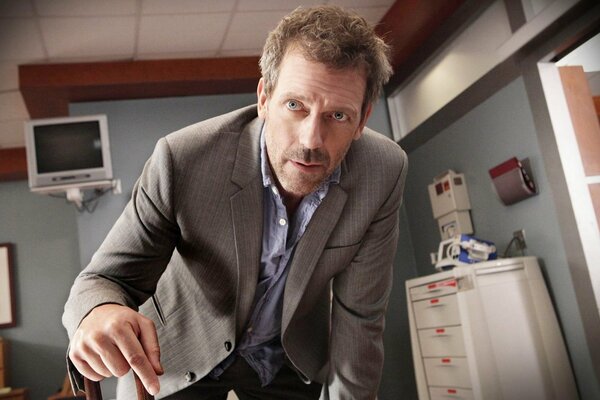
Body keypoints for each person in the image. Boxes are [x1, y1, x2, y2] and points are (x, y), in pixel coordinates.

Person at [63, 5, 407, 400]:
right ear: (264, 98)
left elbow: (360, 319)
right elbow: (103, 280)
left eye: (339, 115)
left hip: (287, 361)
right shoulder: (182, 159)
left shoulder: (383, 171)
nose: (311, 140)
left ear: (362, 120)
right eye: (295, 106)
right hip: (175, 361)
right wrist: (97, 312)